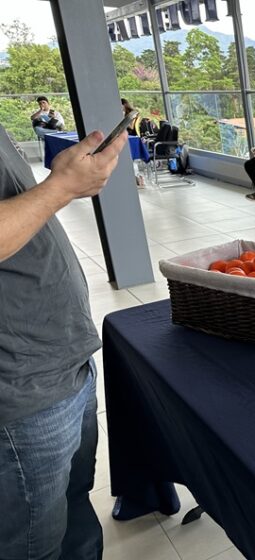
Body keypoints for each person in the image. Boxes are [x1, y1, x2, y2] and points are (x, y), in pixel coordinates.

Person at [0, 123, 127, 559]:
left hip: (60, 363)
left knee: (74, 508)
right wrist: (61, 187)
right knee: (34, 542)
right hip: (21, 389)